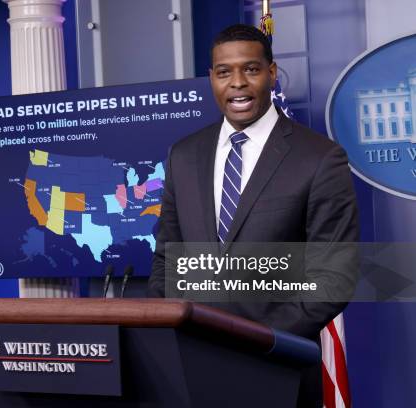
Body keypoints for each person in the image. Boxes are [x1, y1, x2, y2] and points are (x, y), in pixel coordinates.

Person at [148, 24, 359, 406]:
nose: (238, 83)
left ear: (272, 72)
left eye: (251, 69)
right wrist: (171, 331)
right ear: (211, 78)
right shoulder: (184, 154)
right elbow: (168, 256)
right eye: (224, 72)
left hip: (276, 365)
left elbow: (333, 277)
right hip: (192, 365)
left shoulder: (320, 158)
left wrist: (256, 341)